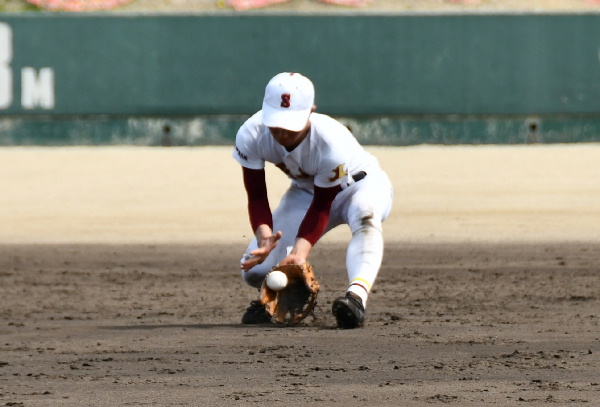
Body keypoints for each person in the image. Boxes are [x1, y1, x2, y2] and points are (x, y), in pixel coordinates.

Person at [232, 72, 393, 329]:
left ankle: (356, 298)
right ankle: (276, 297)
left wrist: (299, 254)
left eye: (290, 123)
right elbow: (257, 195)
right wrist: (264, 238)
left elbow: (322, 205)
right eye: (276, 122)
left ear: (311, 111)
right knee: (254, 272)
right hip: (306, 193)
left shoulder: (330, 143)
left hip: (361, 185)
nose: (282, 132)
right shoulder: (251, 133)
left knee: (366, 216)